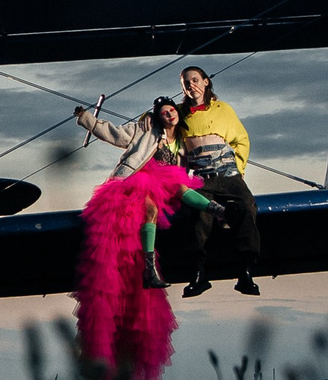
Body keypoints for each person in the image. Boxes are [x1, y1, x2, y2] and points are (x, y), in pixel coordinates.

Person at [74, 96, 219, 289]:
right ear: (158, 117)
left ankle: (218, 209)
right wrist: (86, 118)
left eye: (172, 110)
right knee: (151, 211)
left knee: (181, 186)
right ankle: (149, 269)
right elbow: (115, 134)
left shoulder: (182, 141)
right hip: (139, 179)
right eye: (164, 113)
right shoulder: (145, 129)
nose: (169, 114)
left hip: (167, 185)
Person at [173, 65, 261, 297]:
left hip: (228, 174)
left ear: (205, 82)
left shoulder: (223, 109)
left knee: (247, 206)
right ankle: (199, 274)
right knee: (197, 214)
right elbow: (156, 118)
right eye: (185, 82)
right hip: (201, 177)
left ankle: (246, 271)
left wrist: (239, 168)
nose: (190, 85)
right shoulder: (178, 112)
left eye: (194, 80)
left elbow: (241, 139)